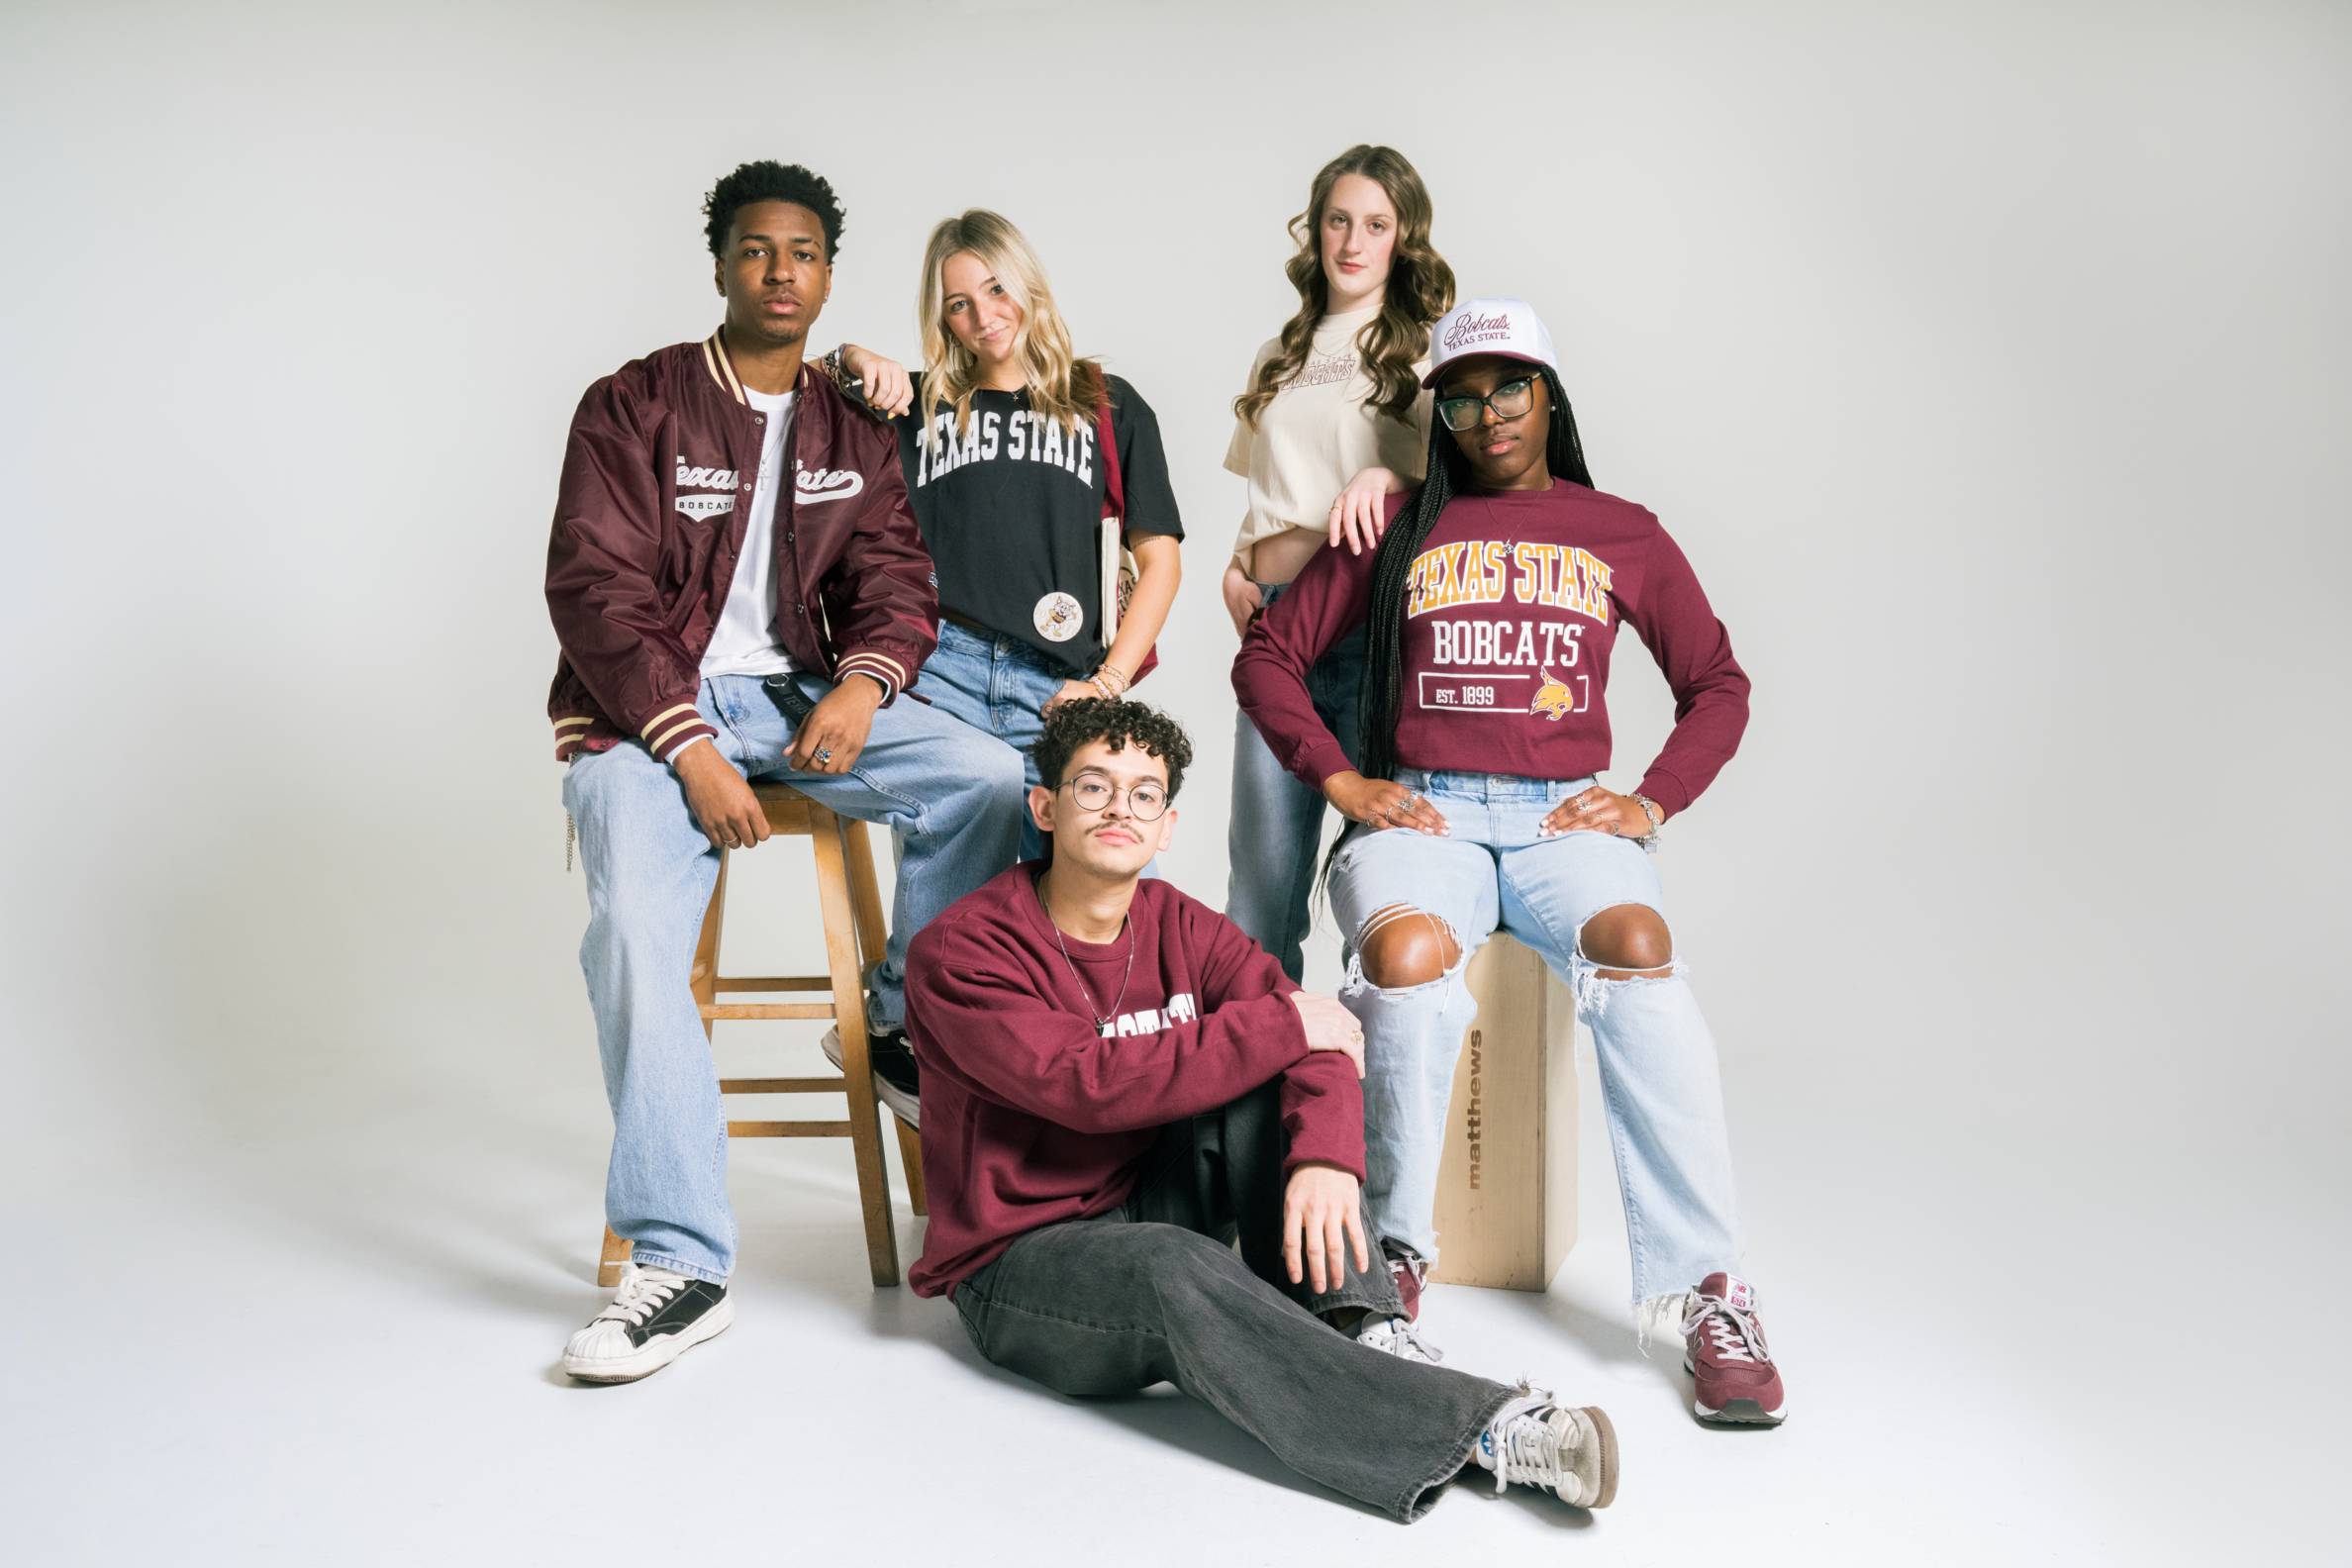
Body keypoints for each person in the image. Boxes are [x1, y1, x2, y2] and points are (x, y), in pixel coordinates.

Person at [1233, 298, 1790, 1426]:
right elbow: (1269, 656)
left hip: (1557, 822)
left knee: (1639, 945)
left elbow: (1718, 684)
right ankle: (1384, 1260)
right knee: (1404, 955)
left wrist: (1649, 799)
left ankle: (1708, 1290)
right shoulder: (1404, 527)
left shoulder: (1618, 530)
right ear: (1439, 415)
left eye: (1511, 389)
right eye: (1463, 398)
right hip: (1425, 813)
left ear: (1550, 398)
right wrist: (1341, 781)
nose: (1489, 414)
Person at [903, 699, 1619, 1519]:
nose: (1118, 810)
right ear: (1044, 807)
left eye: (1143, 795)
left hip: (1145, 1192)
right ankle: (1484, 1428)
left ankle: (1366, 1330)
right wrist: (1282, 1026)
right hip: (1021, 1260)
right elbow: (1086, 1084)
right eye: (1093, 787)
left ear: (1166, 826)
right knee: (1175, 1260)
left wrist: (1327, 1160)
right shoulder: (962, 952)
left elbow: (1319, 1040)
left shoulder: (1180, 924)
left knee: (1265, 1081)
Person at [544, 160, 1026, 1384]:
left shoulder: (850, 421)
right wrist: (687, 746)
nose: (780, 272)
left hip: (799, 696)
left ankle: (904, 1022)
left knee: (984, 777)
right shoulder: (633, 404)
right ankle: (682, 1262)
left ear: (827, 274)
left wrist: (864, 687)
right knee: (633, 930)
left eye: (803, 253)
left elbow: (895, 577)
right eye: (757, 250)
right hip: (644, 713)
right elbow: (594, 590)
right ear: (720, 265)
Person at [816, 210, 1185, 1120]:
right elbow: (800, 399)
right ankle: (899, 1024)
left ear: (1028, 285)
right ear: (938, 317)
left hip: (1053, 682)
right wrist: (848, 357)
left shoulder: (1106, 403)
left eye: (995, 289)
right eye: (957, 304)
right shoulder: (918, 406)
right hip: (937, 665)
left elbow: (1161, 558)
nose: (982, 316)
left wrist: (1107, 683)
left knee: (1082, 892)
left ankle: (1050, 1099)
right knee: (964, 829)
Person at [1222, 146, 1454, 983]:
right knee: (1259, 894)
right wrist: (1238, 565)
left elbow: (1466, 489)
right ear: (1315, 229)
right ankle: (1256, 1066)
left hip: (1371, 628)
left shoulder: (1427, 353)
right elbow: (1270, 486)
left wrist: (1388, 478)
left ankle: (1367, 1064)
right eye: (1338, 221)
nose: (1353, 243)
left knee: (1374, 879)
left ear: (1404, 238)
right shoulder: (1277, 354)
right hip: (1276, 624)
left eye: (1376, 225)